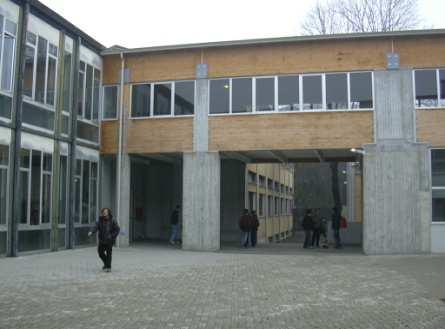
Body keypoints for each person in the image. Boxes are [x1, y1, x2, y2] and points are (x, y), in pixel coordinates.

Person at [88, 208, 120, 272]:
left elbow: (117, 229)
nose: (104, 213)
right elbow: (95, 227)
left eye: (106, 212)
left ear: (108, 212)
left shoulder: (113, 220)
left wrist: (111, 236)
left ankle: (108, 267)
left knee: (109, 254)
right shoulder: (100, 220)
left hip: (109, 240)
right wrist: (91, 232)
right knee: (100, 252)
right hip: (102, 240)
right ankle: (106, 263)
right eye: (103, 212)